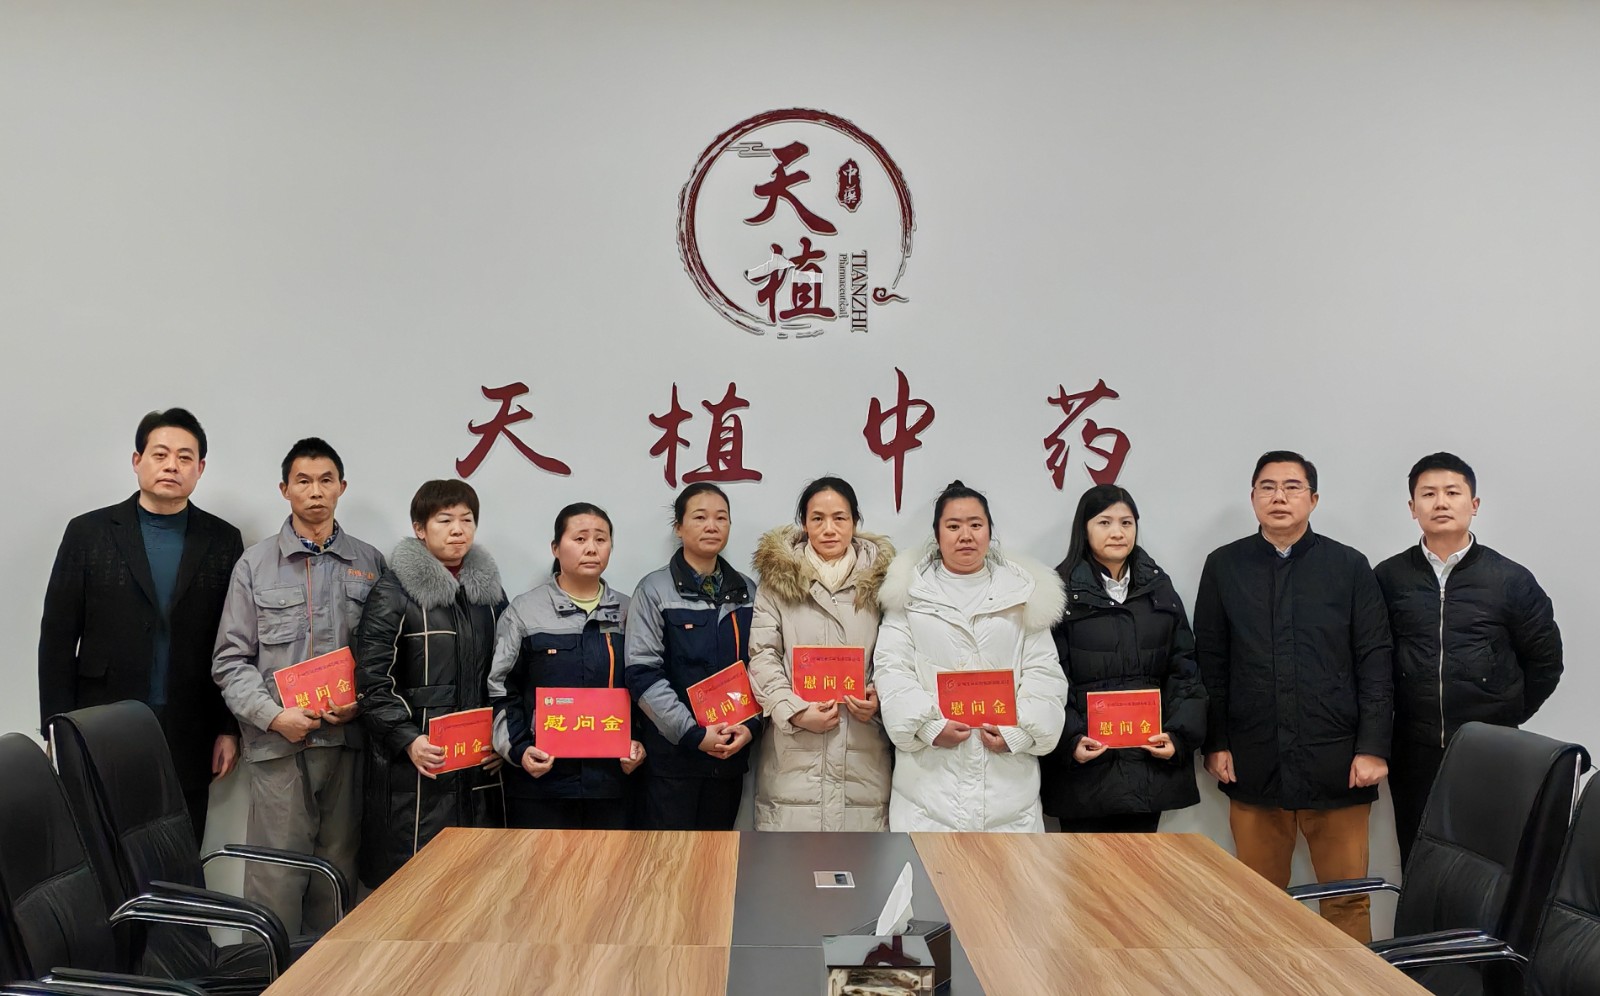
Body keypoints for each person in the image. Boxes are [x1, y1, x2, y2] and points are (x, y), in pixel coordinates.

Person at [1195, 451, 1393, 943]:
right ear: (1253, 498)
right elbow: (1211, 661)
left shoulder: (1348, 566)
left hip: (1338, 761)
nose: (1279, 497)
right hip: (1254, 758)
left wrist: (1373, 746)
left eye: (1292, 487)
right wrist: (1215, 741)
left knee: (1347, 896)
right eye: (1268, 487)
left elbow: (1374, 659)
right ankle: (1263, 978)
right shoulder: (1224, 566)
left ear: (1314, 499)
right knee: (1257, 898)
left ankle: (1349, 980)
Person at [39, 408, 244, 841]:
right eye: (160, 454)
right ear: (138, 461)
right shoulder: (88, 533)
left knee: (181, 845)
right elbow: (57, 637)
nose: (172, 466)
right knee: (105, 847)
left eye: (185, 457)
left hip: (191, 723)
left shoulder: (223, 540)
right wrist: (56, 727)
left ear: (200, 468)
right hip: (100, 720)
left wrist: (229, 729)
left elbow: (234, 641)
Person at [212, 437, 384, 936]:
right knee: (275, 878)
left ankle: (331, 974)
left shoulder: (370, 563)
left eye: (326, 480)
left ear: (342, 487)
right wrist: (272, 716)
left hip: (347, 745)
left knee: (338, 876)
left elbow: (385, 658)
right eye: (303, 481)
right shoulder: (254, 565)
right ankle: (268, 974)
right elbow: (230, 660)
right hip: (278, 747)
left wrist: (360, 704)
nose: (315, 491)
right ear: (284, 489)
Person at [1374, 452, 1563, 867]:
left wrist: (1504, 712)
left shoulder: (1510, 579)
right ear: (1412, 508)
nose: (1440, 502)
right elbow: (1372, 661)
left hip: (1490, 750)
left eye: (1452, 492)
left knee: (1489, 865)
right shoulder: (1388, 578)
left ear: (1473, 504)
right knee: (1420, 862)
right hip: (1413, 751)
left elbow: (1546, 662)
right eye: (1428, 494)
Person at [874, 480, 1069, 833]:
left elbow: (1045, 673)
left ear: (989, 532)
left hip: (1009, 794)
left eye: (976, 525)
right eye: (953, 526)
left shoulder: (1023, 594)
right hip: (928, 793)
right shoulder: (908, 595)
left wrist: (1020, 733)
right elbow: (892, 670)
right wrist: (928, 727)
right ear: (937, 535)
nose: (966, 535)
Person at [354, 480, 506, 888]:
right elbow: (373, 682)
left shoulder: (490, 596)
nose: (458, 530)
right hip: (417, 768)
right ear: (420, 529)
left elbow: (508, 675)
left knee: (480, 883)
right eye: (445, 520)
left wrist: (504, 737)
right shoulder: (393, 592)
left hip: (479, 766)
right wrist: (407, 739)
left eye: (467, 520)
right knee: (416, 886)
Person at [1041, 484, 1205, 833]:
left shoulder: (1160, 590)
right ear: (1084, 529)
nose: (1117, 532)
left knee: (1141, 867)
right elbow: (1046, 679)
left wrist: (1177, 736)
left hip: (1147, 765)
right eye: (1104, 522)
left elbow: (1185, 670)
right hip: (1085, 769)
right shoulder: (1056, 593)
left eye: (1126, 523)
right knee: (1084, 868)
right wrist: (1070, 740)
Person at [747, 477, 895, 831]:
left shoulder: (885, 582)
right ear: (804, 523)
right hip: (794, 753)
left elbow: (896, 656)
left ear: (855, 522)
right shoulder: (777, 582)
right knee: (788, 861)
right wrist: (794, 711)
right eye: (817, 518)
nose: (829, 529)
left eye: (839, 518)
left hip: (862, 751)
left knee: (860, 861)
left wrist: (879, 697)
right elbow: (763, 654)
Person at [488, 503, 646, 829]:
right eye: (580, 538)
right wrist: (520, 750)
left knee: (609, 863)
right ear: (556, 548)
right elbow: (501, 689)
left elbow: (646, 686)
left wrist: (640, 742)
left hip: (611, 783)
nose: (591, 548)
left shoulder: (630, 611)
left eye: (601, 539)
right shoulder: (524, 611)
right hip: (541, 783)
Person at [624, 482, 761, 830]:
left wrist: (751, 727)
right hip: (672, 762)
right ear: (679, 527)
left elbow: (762, 665)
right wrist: (693, 734)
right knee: (667, 859)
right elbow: (642, 673)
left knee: (716, 858)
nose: (712, 526)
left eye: (721, 518)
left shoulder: (747, 591)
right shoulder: (654, 590)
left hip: (729, 757)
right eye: (700, 517)